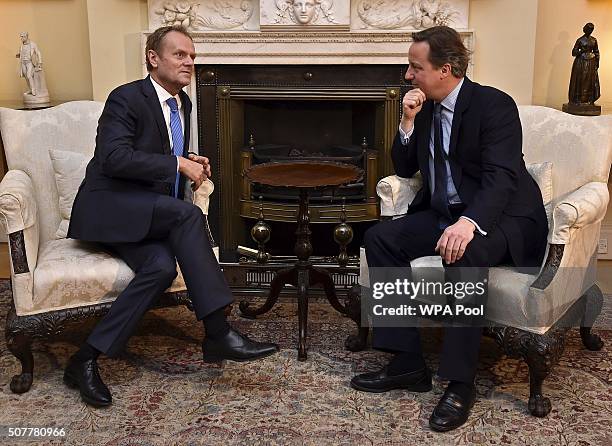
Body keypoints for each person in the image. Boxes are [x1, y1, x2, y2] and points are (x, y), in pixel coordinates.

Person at [65, 25, 278, 408]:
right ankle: (217, 330)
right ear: (153, 57)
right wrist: (175, 163)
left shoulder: (185, 103)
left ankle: (84, 359)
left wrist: (187, 160)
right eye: (180, 55)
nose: (190, 63)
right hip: (109, 207)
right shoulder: (126, 98)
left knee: (160, 268)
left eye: (193, 56)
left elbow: (159, 153)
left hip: (145, 212)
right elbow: (113, 159)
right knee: (186, 216)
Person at [351, 26, 548, 432]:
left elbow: (501, 178)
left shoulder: (494, 106)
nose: (408, 75)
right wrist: (407, 121)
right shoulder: (425, 108)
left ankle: (460, 383)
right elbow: (405, 169)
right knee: (380, 239)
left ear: (446, 68)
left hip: (503, 217)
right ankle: (407, 361)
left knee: (466, 252)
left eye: (415, 67)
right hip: (444, 211)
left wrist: (469, 224)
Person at [568, 22, 600, 105]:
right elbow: (574, 52)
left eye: (592, 30)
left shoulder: (594, 40)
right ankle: (578, 99)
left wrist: (597, 63)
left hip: (591, 62)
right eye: (589, 29)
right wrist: (581, 51)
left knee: (590, 81)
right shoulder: (580, 40)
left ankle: (589, 100)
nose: (590, 31)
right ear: (585, 29)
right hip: (581, 62)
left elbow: (596, 52)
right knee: (580, 80)